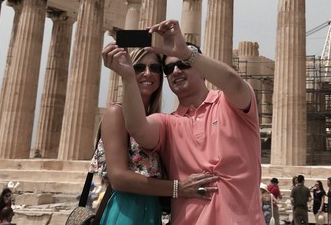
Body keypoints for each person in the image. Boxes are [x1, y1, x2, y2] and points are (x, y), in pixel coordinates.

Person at [102, 19, 264, 224]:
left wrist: (185, 52)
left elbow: (233, 81)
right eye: (169, 69)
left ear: (200, 68)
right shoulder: (168, 122)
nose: (176, 71)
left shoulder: (233, 106)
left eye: (183, 64)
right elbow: (137, 128)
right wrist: (127, 77)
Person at [99, 47, 218, 224]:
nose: (148, 73)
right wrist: (179, 188)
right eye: (139, 68)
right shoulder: (117, 113)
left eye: (155, 68)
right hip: (126, 209)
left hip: (153, 210)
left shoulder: (158, 121)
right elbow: (118, 178)